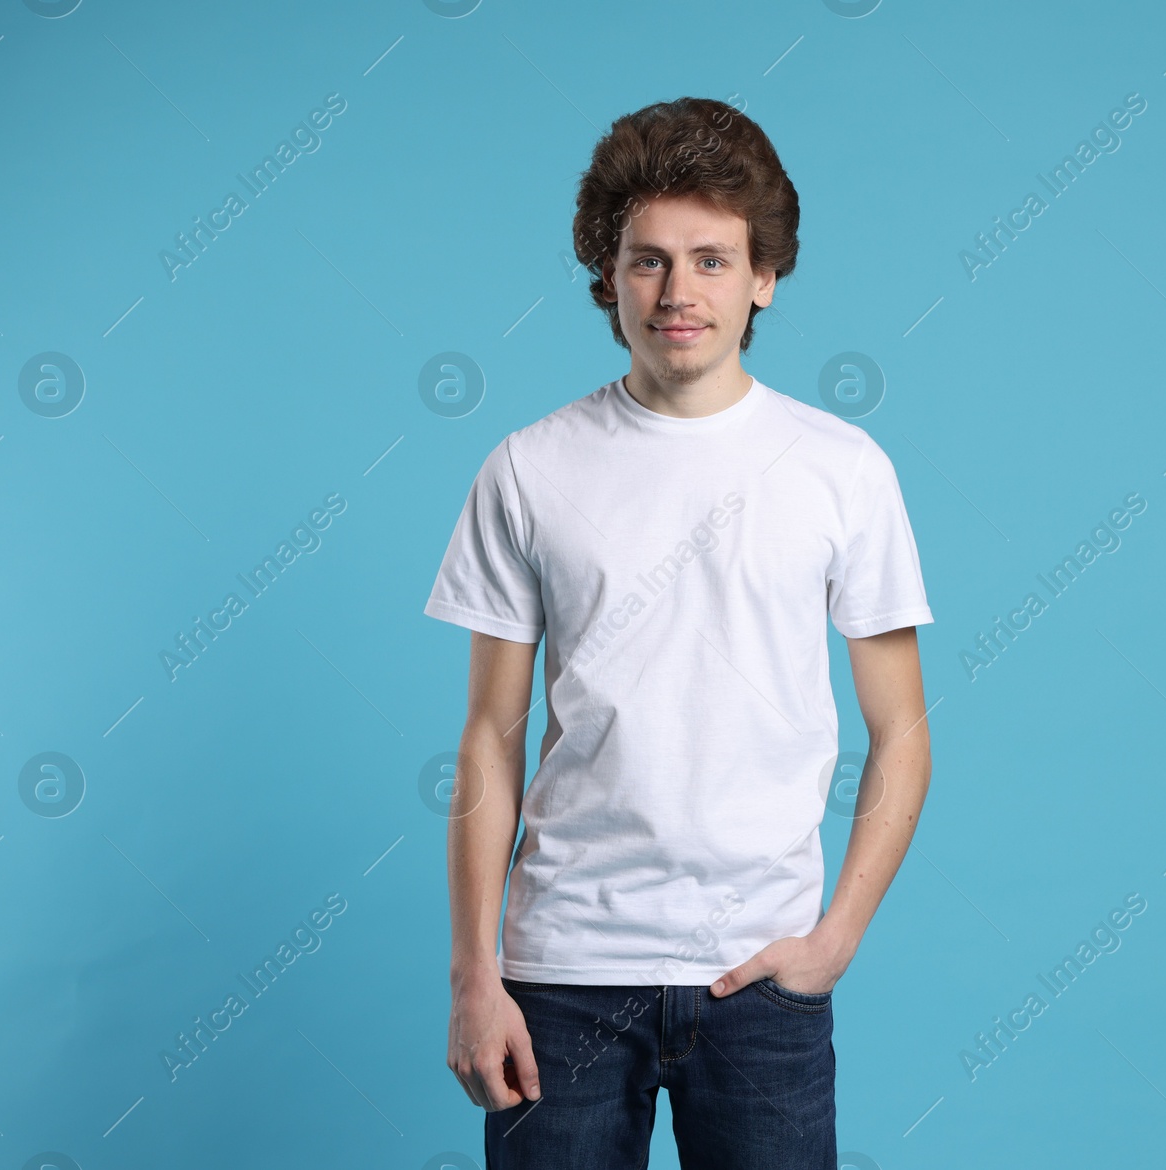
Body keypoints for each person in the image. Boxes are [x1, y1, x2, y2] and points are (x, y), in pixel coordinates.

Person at [424, 95, 935, 1170]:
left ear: (764, 278)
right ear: (606, 277)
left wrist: (833, 939)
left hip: (760, 981)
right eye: (648, 260)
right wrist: (477, 976)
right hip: (559, 977)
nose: (677, 292)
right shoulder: (528, 468)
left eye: (712, 259)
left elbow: (902, 730)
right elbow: (487, 737)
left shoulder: (842, 470)